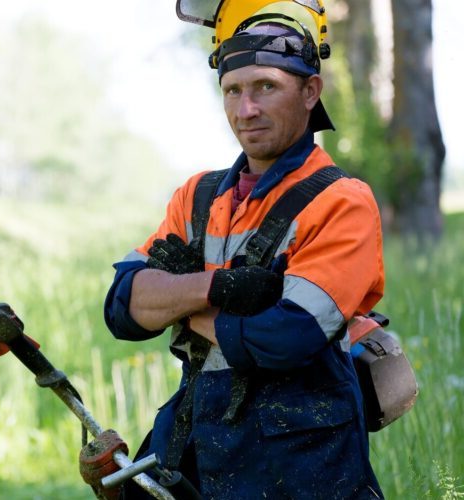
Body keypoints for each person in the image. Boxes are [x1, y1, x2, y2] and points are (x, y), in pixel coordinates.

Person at [103, 17, 385, 500]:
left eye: (266, 87)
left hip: (304, 461)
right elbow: (122, 307)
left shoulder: (343, 201)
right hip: (198, 441)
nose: (246, 108)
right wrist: (216, 289)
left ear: (311, 91)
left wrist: (176, 302)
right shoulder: (197, 196)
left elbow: (286, 336)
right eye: (232, 91)